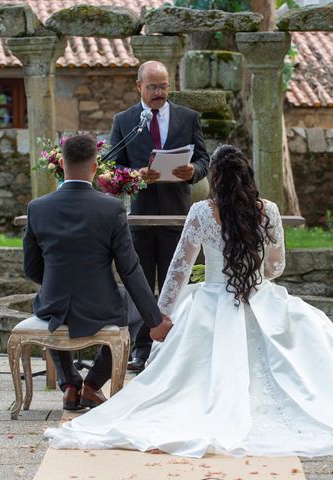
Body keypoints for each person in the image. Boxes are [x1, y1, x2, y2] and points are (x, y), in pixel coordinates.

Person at [44, 145, 333, 457]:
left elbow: (177, 270)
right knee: (312, 355)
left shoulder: (199, 214)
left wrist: (162, 316)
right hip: (260, 298)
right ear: (248, 176)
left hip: (210, 301)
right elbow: (276, 267)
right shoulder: (267, 210)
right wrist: (253, 279)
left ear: (213, 179)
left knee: (177, 380)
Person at [23, 134, 173, 411]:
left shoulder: (37, 208)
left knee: (51, 312)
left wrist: (58, 282)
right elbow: (129, 268)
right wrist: (155, 319)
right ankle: (92, 385)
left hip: (53, 301)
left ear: (62, 165)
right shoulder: (111, 208)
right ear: (95, 167)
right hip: (99, 303)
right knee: (136, 311)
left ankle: (69, 384)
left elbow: (31, 267)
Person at [109, 60, 209, 372]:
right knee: (140, 284)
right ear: (138, 86)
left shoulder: (187, 117)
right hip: (139, 217)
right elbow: (112, 168)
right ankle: (141, 349)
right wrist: (135, 176)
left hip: (178, 215)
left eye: (164, 86)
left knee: (177, 282)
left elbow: (205, 158)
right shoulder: (125, 120)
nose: (159, 92)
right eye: (153, 86)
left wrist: (193, 171)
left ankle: (178, 348)